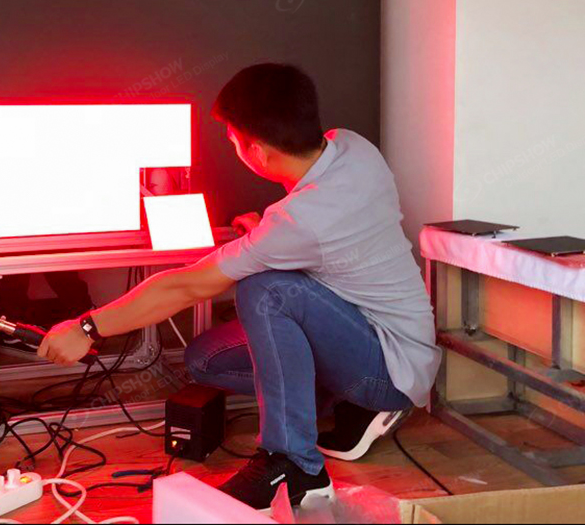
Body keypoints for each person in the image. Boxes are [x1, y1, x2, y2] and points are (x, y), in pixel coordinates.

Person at [36, 63, 441, 511]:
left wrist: (87, 327)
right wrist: (266, 234)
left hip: (388, 370)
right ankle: (344, 407)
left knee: (264, 291)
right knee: (205, 360)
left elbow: (186, 287)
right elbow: (327, 237)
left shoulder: (299, 223)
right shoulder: (352, 147)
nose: (231, 146)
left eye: (232, 139)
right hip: (376, 337)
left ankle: (296, 466)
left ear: (258, 153)